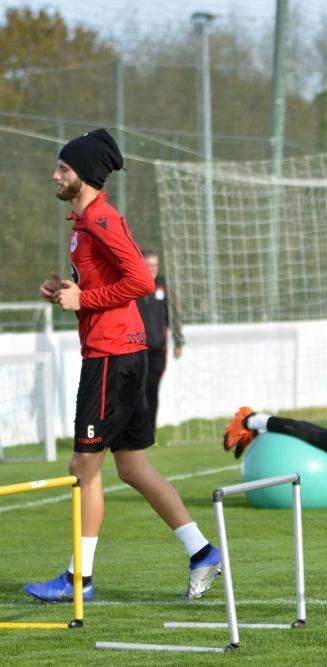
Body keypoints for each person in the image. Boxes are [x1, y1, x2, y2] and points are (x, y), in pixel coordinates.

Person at [28, 129, 220, 603]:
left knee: (83, 466)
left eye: (64, 169)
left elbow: (140, 279)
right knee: (132, 467)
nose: (55, 175)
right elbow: (101, 287)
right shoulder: (85, 221)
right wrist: (66, 292)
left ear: (86, 176)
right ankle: (202, 553)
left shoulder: (101, 219)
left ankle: (79, 579)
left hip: (112, 358)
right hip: (125, 354)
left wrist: (84, 298)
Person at [135, 249, 184, 436]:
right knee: (134, 390)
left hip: (157, 351)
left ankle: (149, 433)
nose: (153, 269)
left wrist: (178, 342)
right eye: (149, 265)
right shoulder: (132, 286)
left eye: (155, 265)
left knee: (151, 390)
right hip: (134, 350)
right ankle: (133, 432)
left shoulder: (163, 287)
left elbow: (174, 316)